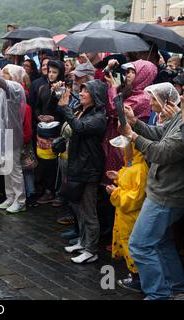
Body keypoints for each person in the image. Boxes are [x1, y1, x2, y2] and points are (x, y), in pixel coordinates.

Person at [120, 83, 184, 300]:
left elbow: (161, 153)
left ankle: (158, 294)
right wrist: (135, 123)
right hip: (162, 190)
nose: (182, 96)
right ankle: (177, 288)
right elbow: (158, 134)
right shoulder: (179, 118)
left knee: (139, 245)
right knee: (162, 241)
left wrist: (133, 136)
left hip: (166, 195)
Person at [58, 80, 108, 264]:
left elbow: (78, 128)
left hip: (89, 168)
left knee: (88, 211)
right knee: (78, 207)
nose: (81, 93)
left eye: (86, 91)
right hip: (79, 165)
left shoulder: (99, 117)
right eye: (82, 90)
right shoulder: (83, 110)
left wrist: (65, 109)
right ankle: (83, 241)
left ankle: (91, 249)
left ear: (95, 97)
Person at [0, 54, 27, 214]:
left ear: (15, 77)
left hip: (12, 135)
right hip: (3, 134)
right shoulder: (3, 92)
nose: (3, 76)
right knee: (5, 166)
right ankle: (10, 197)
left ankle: (21, 200)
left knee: (14, 168)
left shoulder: (15, 87)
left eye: (7, 73)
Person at [105, 142, 149, 293]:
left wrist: (115, 193)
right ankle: (135, 275)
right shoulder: (131, 165)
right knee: (127, 243)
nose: (121, 150)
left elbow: (135, 198)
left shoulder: (140, 169)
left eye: (124, 147)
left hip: (131, 218)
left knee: (132, 246)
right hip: (124, 217)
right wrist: (118, 176)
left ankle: (138, 279)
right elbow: (129, 184)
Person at [34, 60, 65, 205]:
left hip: (56, 131)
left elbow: (63, 111)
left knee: (54, 163)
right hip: (43, 129)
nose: (51, 75)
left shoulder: (63, 90)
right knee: (43, 161)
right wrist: (39, 115)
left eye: (55, 72)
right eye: (50, 72)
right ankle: (46, 189)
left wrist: (53, 117)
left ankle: (54, 191)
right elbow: (38, 106)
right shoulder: (42, 88)